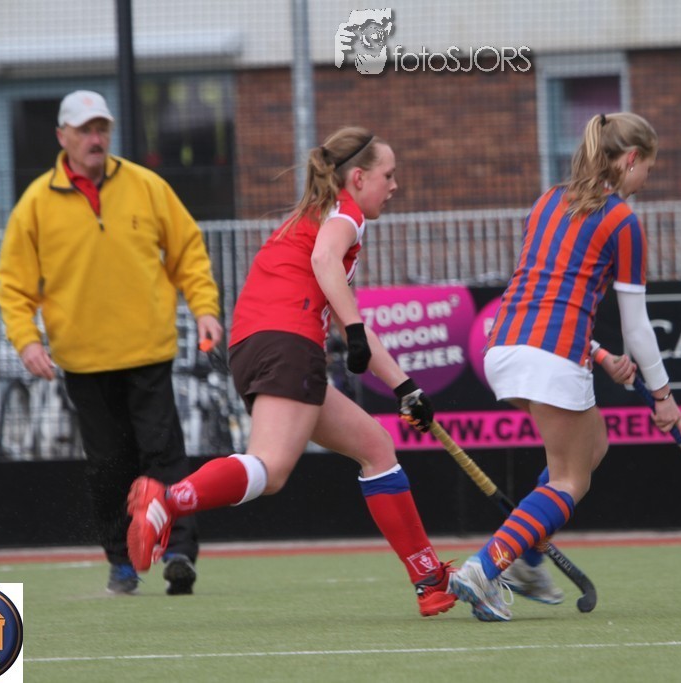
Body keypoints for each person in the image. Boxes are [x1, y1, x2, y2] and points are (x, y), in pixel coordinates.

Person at [124, 126, 458, 617]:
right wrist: (353, 330)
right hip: (289, 343)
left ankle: (429, 579)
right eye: (388, 175)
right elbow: (326, 264)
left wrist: (406, 388)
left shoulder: (311, 218)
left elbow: (338, 296)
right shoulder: (344, 214)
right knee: (271, 468)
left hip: (256, 347)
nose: (394, 185)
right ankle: (167, 501)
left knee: (375, 446)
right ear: (358, 178)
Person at [449, 112, 681, 621]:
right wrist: (663, 396)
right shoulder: (621, 220)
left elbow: (546, 294)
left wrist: (599, 355)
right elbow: (637, 327)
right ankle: (486, 567)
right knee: (569, 481)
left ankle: (528, 559)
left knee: (593, 443)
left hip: (503, 349)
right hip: (551, 357)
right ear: (630, 159)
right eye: (648, 167)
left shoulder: (548, 201)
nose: (647, 179)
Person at [0, 90, 223, 597]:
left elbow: (188, 251)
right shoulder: (35, 204)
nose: (95, 138)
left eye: (101, 128)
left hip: (149, 352)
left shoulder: (147, 186)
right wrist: (27, 342)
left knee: (164, 455)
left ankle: (179, 553)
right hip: (83, 361)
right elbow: (13, 285)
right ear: (62, 137)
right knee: (108, 468)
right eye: (84, 130)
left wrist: (205, 309)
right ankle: (122, 562)